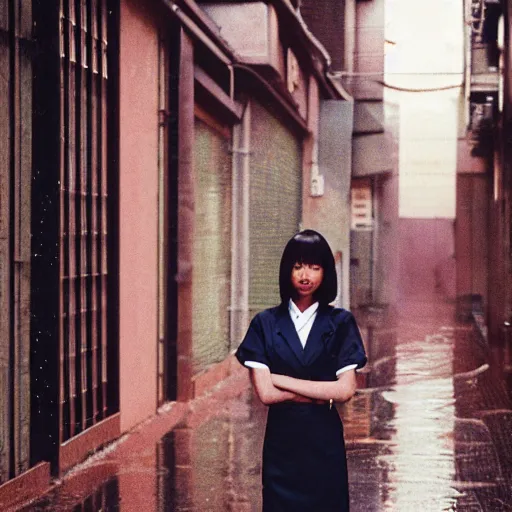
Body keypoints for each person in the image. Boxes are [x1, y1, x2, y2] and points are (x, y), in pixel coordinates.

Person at [236, 229, 367, 511]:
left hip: (325, 445)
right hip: (282, 447)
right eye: (298, 267)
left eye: (314, 267)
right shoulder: (265, 323)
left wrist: (282, 379)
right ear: (287, 271)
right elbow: (267, 395)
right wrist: (320, 393)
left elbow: (345, 390)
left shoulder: (341, 323)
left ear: (325, 273)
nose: (305, 275)